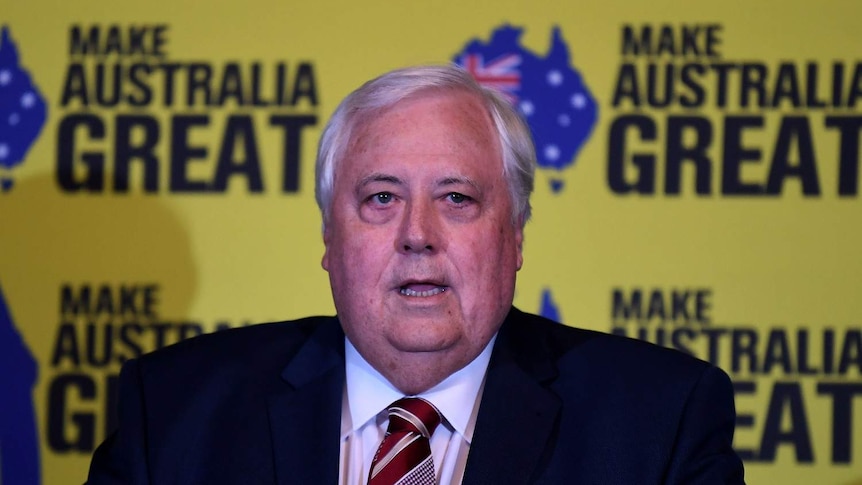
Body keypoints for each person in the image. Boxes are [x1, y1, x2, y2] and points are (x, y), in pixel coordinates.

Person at [87, 65, 745, 484]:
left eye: (457, 198)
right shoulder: (174, 413)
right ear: (328, 236)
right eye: (380, 198)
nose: (417, 234)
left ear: (514, 236)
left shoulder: (660, 426)